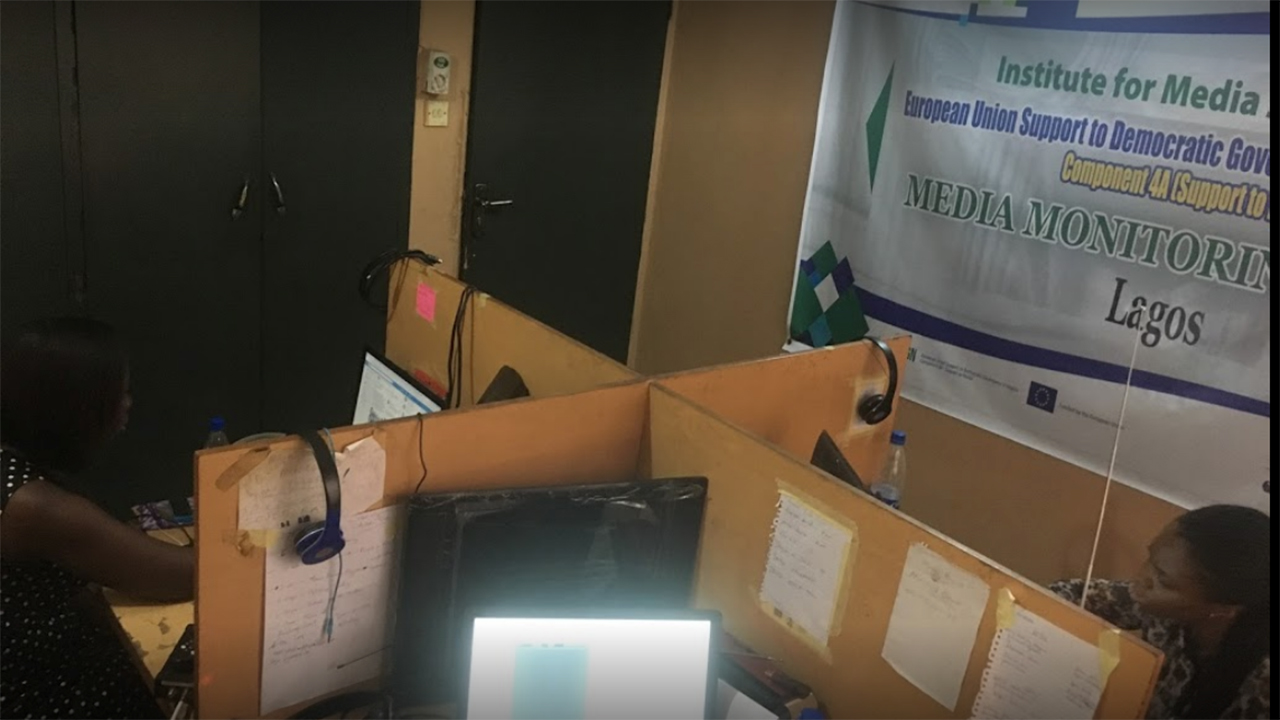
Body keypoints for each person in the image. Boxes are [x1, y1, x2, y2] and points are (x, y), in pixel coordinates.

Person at [1, 317, 194, 718]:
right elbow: (182, 575)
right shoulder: (35, 507)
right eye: (119, 394)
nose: (128, 404)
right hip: (41, 690)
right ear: (76, 405)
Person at [1051, 505, 1271, 719]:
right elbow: (1075, 594)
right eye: (1150, 558)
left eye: (1163, 581)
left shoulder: (1261, 686)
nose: (1141, 578)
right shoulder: (1158, 605)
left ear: (1222, 609)